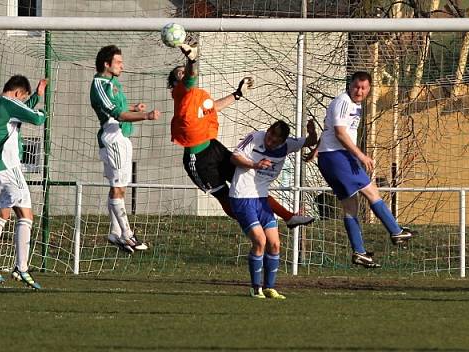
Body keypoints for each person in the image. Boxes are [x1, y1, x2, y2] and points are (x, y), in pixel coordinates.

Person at [168, 44, 313, 228]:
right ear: (174, 84)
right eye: (179, 73)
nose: (184, 73)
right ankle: (252, 222)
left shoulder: (195, 98)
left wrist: (237, 94)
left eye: (183, 70)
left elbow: (214, 108)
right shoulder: (180, 93)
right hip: (198, 160)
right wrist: (191, 60)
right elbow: (190, 76)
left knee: (248, 185)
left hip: (214, 148)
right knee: (225, 197)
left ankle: (287, 216)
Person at [313, 71, 414, 268]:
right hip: (338, 157)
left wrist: (317, 150)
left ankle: (359, 252)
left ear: (368, 90)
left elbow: (328, 129)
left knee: (351, 207)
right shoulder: (343, 101)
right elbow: (340, 133)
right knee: (371, 190)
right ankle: (396, 232)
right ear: (349, 86)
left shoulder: (354, 105)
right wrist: (360, 155)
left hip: (331, 157)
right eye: (356, 87)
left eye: (363, 88)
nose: (359, 91)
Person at [230, 120, 318, 298]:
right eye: (270, 136)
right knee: (260, 241)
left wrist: (312, 132)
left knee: (275, 244)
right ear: (267, 131)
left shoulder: (287, 146)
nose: (270, 142)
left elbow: (310, 141)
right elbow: (234, 157)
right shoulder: (255, 138)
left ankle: (269, 288)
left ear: (282, 141)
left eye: (275, 141)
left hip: (262, 199)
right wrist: (255, 165)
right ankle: (256, 289)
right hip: (242, 197)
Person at [0, 75, 48, 289]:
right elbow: (36, 118)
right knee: (26, 216)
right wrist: (44, 111)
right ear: (18, 93)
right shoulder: (9, 105)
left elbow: (18, 110)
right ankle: (21, 267)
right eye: (23, 98)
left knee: (3, 213)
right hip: (8, 168)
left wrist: (37, 95)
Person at [90, 45, 160, 253]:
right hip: (113, 136)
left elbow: (117, 107)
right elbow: (116, 114)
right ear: (106, 64)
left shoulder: (113, 83)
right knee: (118, 187)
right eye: (118, 62)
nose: (122, 65)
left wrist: (133, 108)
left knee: (119, 187)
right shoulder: (99, 84)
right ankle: (128, 235)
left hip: (121, 136)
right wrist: (145, 116)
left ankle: (115, 232)